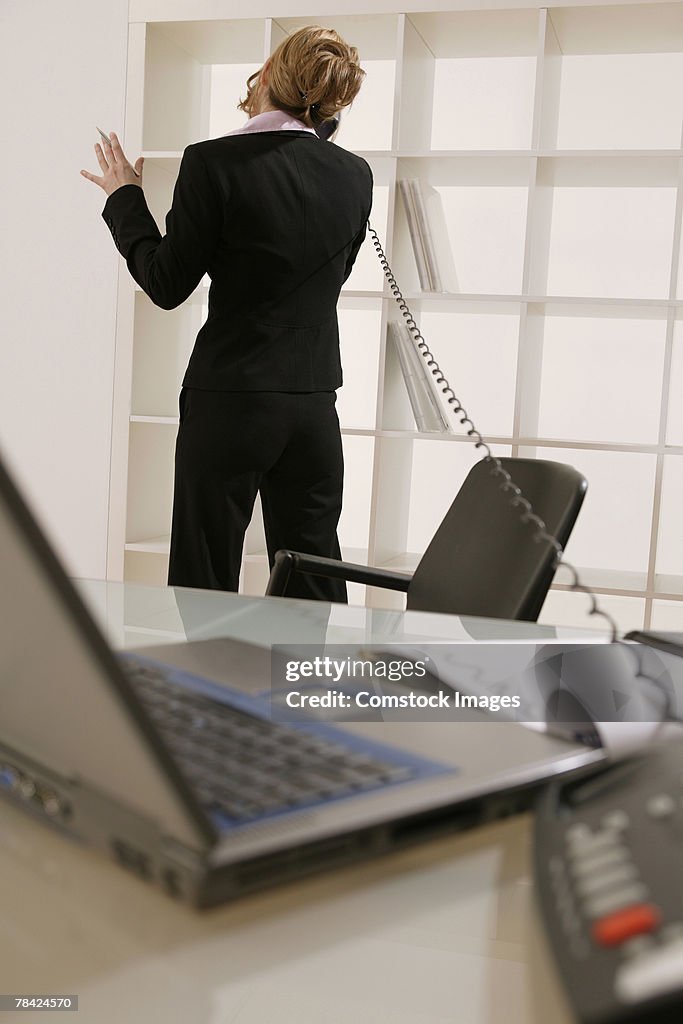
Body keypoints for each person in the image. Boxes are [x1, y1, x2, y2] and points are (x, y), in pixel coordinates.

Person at [81, 26, 373, 602]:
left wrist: (124, 199)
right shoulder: (355, 174)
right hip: (314, 403)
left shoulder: (213, 163)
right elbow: (333, 277)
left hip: (231, 396)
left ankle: (207, 692)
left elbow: (166, 283)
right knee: (312, 572)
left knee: (205, 573)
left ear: (266, 76)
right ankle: (302, 690)